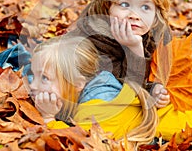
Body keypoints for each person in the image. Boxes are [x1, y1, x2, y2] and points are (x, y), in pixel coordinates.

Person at [68, 0, 172, 108]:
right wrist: (134, 50)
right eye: (124, 4)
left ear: (156, 15)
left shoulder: (154, 36)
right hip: (95, 92)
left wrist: (155, 90)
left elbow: (151, 78)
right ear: (107, 6)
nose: (135, 15)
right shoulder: (93, 38)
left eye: (145, 7)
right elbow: (128, 90)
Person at [29, 35, 158, 148]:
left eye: (44, 78)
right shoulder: (97, 82)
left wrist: (49, 119)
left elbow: (81, 145)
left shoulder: (97, 109)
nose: (33, 85)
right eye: (33, 75)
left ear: (78, 83)